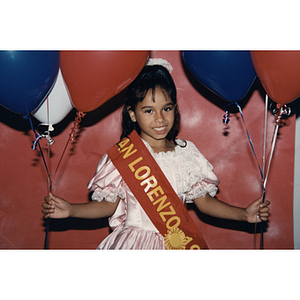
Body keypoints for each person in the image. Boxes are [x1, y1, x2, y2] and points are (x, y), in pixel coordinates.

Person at [42, 61, 270, 250]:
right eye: (149, 111)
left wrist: (244, 215)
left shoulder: (186, 154)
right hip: (133, 245)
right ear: (132, 113)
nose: (160, 119)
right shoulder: (123, 156)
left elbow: (205, 203)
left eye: (167, 108)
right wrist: (72, 210)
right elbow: (107, 206)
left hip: (177, 244)